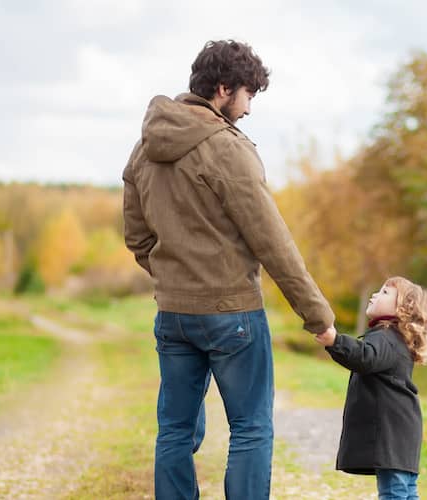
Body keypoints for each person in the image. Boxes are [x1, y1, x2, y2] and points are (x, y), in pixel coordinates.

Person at [122, 39, 336, 500]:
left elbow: (137, 238)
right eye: (248, 94)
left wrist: (175, 280)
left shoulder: (144, 149)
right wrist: (317, 315)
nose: (249, 107)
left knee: (174, 430)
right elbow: (273, 242)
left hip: (174, 315)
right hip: (232, 315)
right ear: (223, 89)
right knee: (251, 428)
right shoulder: (226, 149)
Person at [313, 276, 427, 500]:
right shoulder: (396, 339)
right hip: (403, 432)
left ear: (403, 309)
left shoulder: (386, 337)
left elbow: (364, 357)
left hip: (393, 432)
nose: (374, 295)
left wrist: (335, 341)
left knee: (393, 494)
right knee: (406, 492)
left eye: (384, 293)